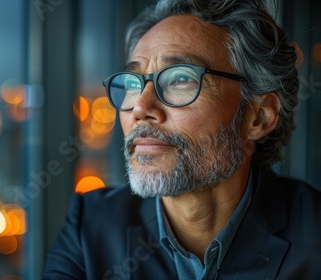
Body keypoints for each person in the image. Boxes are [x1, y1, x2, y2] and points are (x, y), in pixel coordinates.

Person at [42, 0, 321, 279]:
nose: (140, 108)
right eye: (132, 83)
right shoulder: (90, 224)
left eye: (179, 79)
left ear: (258, 117)